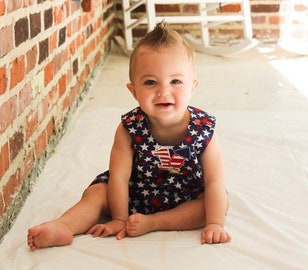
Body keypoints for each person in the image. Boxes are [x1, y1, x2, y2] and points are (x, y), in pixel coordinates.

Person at [27, 21, 231, 250]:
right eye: (150, 82)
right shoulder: (129, 128)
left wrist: (215, 223)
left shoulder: (204, 130)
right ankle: (64, 225)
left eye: (176, 81)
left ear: (192, 87)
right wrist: (119, 218)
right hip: (133, 193)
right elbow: (119, 177)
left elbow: (214, 181)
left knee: (217, 202)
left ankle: (154, 223)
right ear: (133, 91)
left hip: (184, 197)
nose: (164, 91)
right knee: (96, 193)